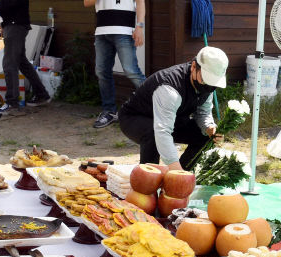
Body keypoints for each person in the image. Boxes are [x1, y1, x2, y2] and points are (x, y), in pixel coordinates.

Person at [117, 46, 227, 171]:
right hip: (135, 118)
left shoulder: (208, 87)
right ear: (194, 67)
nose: (208, 86)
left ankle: (184, 175)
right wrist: (174, 167)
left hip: (173, 118)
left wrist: (208, 127)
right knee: (152, 134)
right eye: (205, 79)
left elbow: (203, 113)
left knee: (205, 136)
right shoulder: (170, 89)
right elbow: (162, 130)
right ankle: (148, 180)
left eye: (212, 82)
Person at [83, 0, 146, 128]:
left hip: (124, 31)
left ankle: (160, 103)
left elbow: (140, 2)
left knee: (132, 71)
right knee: (101, 72)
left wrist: (139, 26)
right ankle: (109, 112)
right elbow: (86, 2)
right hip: (101, 32)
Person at [0, 0, 50, 114]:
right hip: (14, 24)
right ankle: (41, 94)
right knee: (21, 62)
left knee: (9, 63)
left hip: (15, 24)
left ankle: (12, 103)